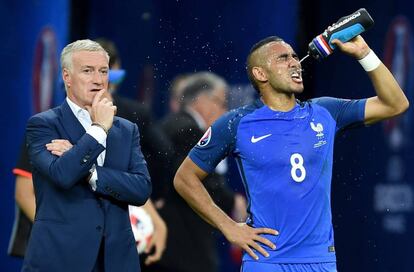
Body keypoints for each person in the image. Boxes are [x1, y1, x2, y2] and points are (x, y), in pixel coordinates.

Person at [172, 35, 409, 272]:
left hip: (320, 261)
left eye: (295, 56)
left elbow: (395, 104)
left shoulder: (326, 111)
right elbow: (184, 178)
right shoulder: (236, 123)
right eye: (283, 58)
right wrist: (229, 226)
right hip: (267, 260)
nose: (295, 63)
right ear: (260, 74)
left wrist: (364, 53)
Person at [22, 39, 151, 271]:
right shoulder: (43, 125)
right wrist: (99, 129)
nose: (98, 80)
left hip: (116, 261)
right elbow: (63, 174)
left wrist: (91, 172)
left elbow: (141, 189)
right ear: (67, 77)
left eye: (103, 71)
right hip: (61, 259)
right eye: (87, 71)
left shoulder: (127, 130)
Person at [149, 72, 246, 272]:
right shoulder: (189, 131)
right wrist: (233, 202)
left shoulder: (170, 124)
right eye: (221, 102)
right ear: (202, 100)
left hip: (165, 244)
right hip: (182, 248)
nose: (225, 110)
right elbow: (194, 182)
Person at [96, 38, 168, 265]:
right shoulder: (51, 123)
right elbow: (164, 154)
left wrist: (153, 211)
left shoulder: (130, 120)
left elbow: (131, 176)